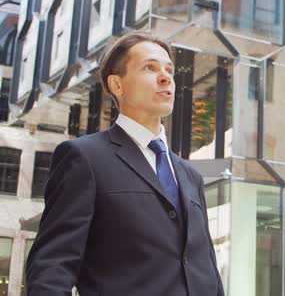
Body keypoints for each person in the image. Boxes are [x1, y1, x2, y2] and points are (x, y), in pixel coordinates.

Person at [26, 31, 224, 295]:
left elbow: (206, 268)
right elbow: (51, 267)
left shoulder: (190, 176)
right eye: (149, 68)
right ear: (117, 85)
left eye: (169, 69)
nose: (165, 77)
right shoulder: (84, 158)